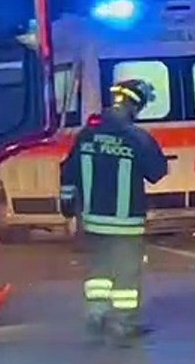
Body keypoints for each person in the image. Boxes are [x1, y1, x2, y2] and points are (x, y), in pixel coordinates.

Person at [59, 79, 168, 345]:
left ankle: (96, 315)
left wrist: (67, 204)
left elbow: (68, 172)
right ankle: (123, 322)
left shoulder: (87, 134)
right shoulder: (137, 138)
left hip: (93, 221)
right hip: (125, 223)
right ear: (136, 106)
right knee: (126, 275)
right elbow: (157, 172)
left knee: (99, 272)